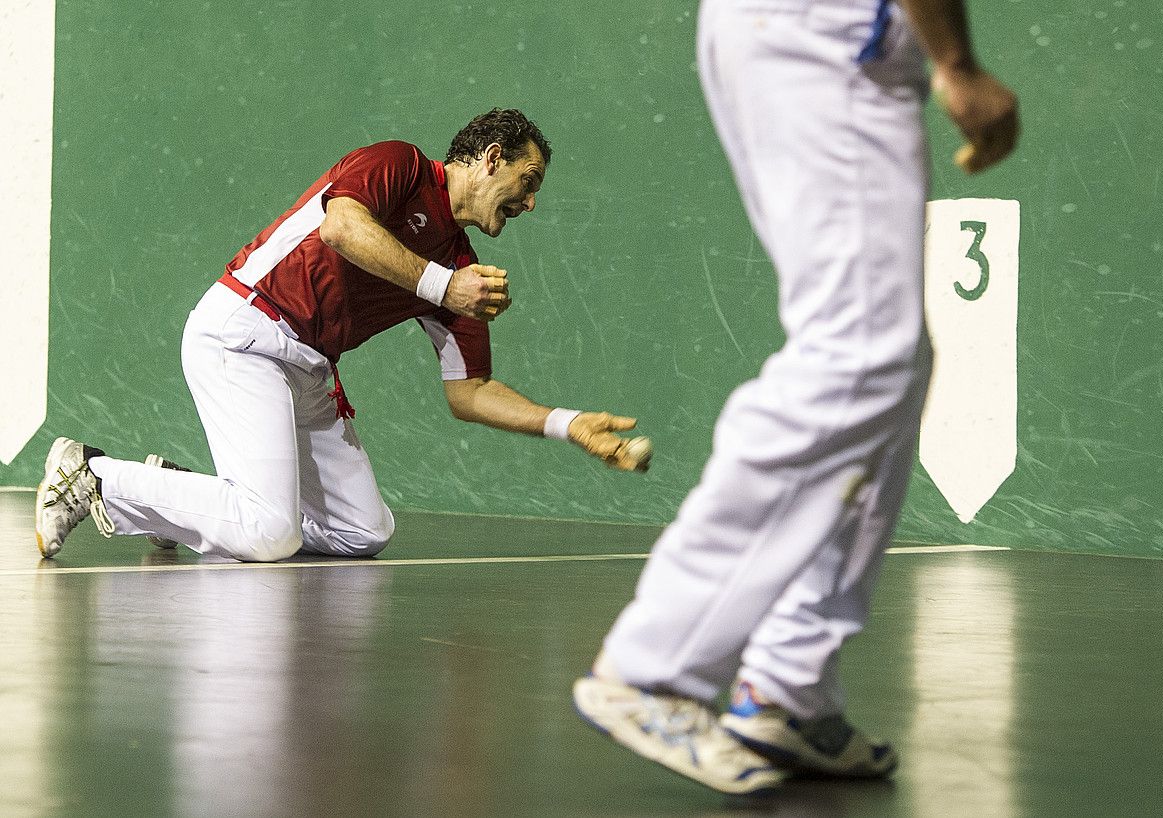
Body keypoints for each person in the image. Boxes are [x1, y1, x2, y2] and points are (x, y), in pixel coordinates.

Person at [573, 0, 1019, 795]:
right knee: (857, 352)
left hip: (826, 40)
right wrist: (956, 62)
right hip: (829, 36)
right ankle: (651, 669)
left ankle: (788, 689)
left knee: (888, 360)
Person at [35, 108, 649, 561]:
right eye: (529, 179)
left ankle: (173, 500)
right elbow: (342, 228)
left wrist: (567, 423)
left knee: (364, 532)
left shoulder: (461, 268)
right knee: (269, 533)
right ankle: (88, 474)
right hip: (245, 331)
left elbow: (470, 391)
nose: (532, 201)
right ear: (491, 159)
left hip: (308, 370)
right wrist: (440, 287)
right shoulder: (401, 166)